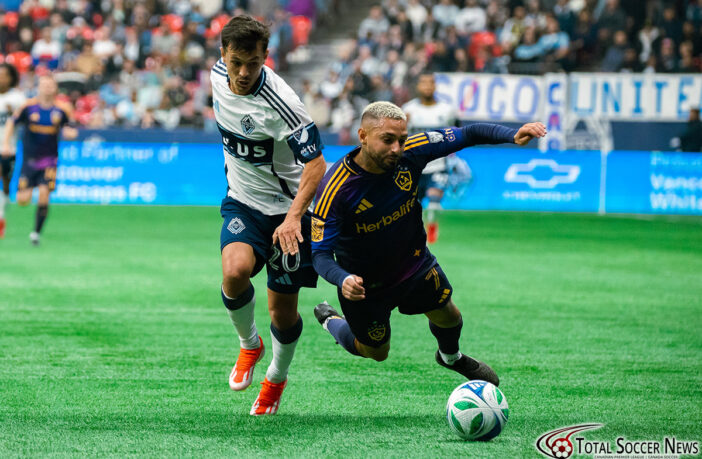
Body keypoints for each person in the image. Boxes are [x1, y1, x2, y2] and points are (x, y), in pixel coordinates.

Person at [311, 101, 546, 385]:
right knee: (375, 352)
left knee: (449, 314)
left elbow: (468, 133)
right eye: (387, 140)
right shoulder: (334, 188)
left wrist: (511, 135)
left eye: (401, 139)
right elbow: (320, 255)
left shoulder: (414, 150)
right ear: (362, 136)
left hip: (414, 265)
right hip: (365, 286)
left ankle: (451, 358)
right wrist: (343, 278)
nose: (397, 148)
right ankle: (330, 321)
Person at [211, 15, 326, 416]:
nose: (244, 72)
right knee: (234, 270)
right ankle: (249, 345)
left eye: (255, 63)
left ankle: (276, 376)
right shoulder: (216, 75)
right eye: (238, 61)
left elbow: (316, 165)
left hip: (288, 213)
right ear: (223, 54)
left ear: (266, 58)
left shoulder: (283, 105)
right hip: (243, 201)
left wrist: (295, 218)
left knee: (283, 310)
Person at [1, 74, 77, 245]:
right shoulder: (28, 106)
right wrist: (6, 143)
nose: (47, 88)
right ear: (39, 87)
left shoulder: (63, 108)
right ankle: (29, 190)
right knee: (22, 200)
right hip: (29, 160)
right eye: (44, 85)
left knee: (44, 194)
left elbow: (71, 127)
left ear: (55, 88)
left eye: (50, 85)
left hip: (49, 161)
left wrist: (70, 133)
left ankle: (36, 234)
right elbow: (12, 123)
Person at [402, 72, 466, 244]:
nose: (427, 86)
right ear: (418, 86)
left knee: (434, 201)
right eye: (423, 83)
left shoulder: (446, 110)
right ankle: (413, 232)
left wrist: (451, 151)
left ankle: (432, 230)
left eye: (430, 83)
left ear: (435, 86)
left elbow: (457, 131)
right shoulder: (408, 110)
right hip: (414, 166)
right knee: (411, 205)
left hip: (438, 165)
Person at [0, 63, 26, 238]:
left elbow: (26, 121)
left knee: (5, 183)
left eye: (4, 75)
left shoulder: (18, 98)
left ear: (11, 78)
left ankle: (2, 211)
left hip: (8, 148)